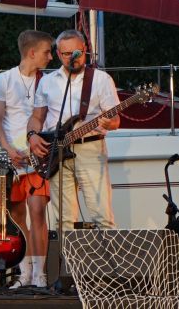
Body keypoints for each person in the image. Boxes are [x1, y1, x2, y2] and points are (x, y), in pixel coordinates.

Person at [26, 29, 118, 231]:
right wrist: (32, 136)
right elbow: (36, 117)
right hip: (56, 152)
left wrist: (108, 124)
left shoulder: (101, 79)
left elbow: (115, 119)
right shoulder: (47, 81)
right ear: (58, 54)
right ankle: (69, 263)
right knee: (63, 222)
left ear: (85, 50)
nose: (73, 58)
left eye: (77, 53)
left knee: (102, 216)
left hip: (90, 149)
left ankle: (110, 262)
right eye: (67, 54)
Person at [0, 30, 54, 287]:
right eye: (47, 52)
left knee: (38, 211)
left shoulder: (48, 82)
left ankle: (40, 274)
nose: (51, 57)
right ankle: (23, 273)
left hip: (37, 155)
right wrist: (7, 148)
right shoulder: (4, 80)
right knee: (16, 216)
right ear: (32, 53)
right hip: (10, 156)